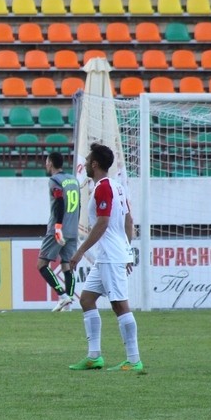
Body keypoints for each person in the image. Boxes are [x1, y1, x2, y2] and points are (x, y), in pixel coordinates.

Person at [67, 143, 145, 374]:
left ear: (94, 164)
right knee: (86, 299)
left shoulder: (102, 188)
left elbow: (102, 223)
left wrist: (80, 251)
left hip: (111, 256)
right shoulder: (118, 187)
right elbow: (129, 221)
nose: (85, 164)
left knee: (119, 305)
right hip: (108, 256)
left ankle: (134, 360)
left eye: (87, 160)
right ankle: (94, 357)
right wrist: (127, 250)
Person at [37, 151, 81, 312]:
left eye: (46, 161)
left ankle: (62, 296)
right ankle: (68, 305)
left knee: (42, 264)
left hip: (59, 229)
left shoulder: (54, 180)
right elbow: (79, 205)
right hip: (73, 229)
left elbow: (59, 202)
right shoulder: (73, 180)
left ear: (50, 163)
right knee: (67, 265)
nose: (45, 164)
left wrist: (58, 227)